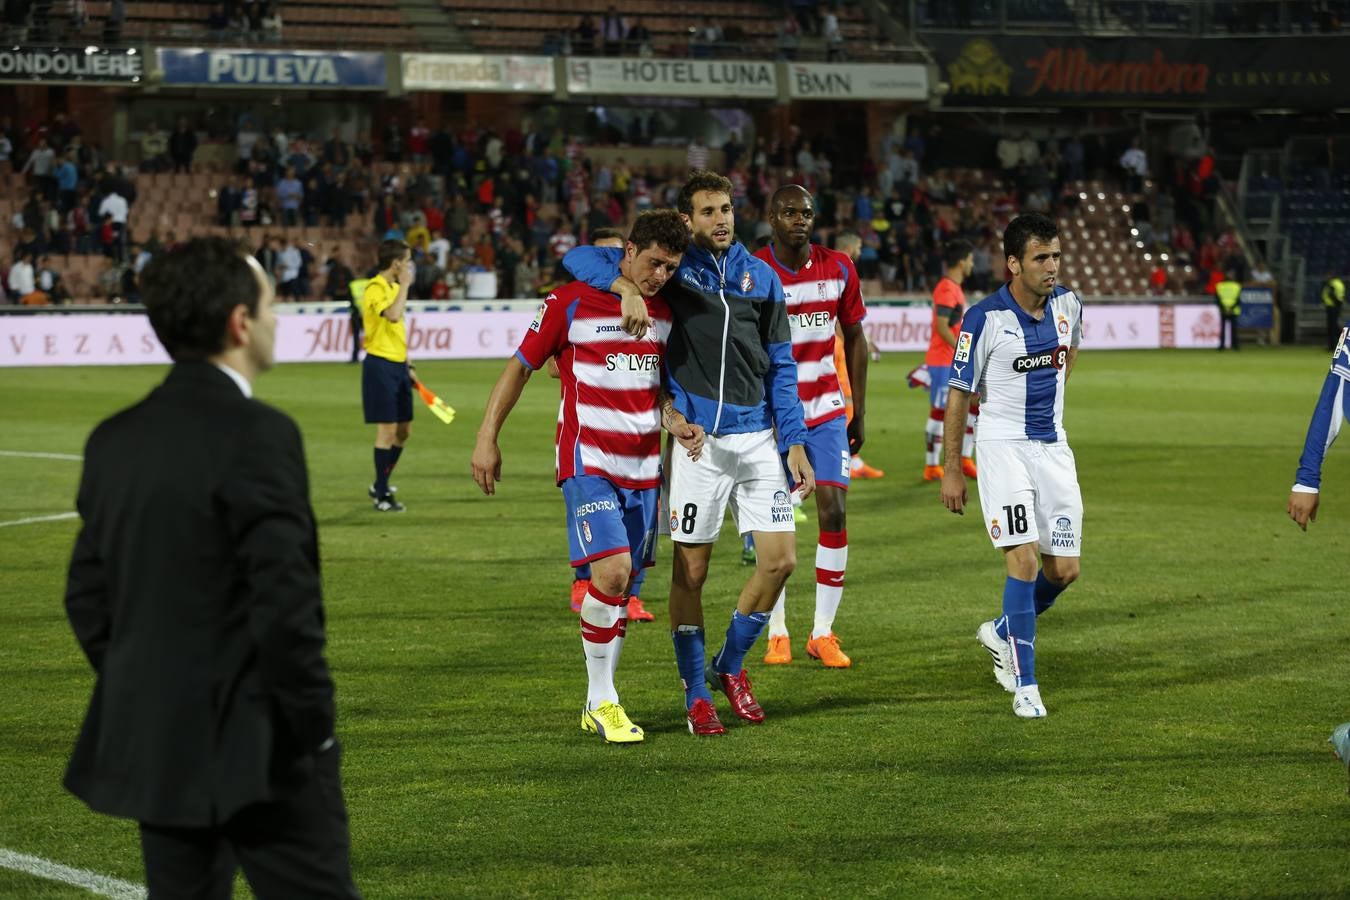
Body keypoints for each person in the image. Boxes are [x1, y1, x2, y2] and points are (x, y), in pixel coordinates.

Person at [63, 237, 359, 898]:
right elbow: (286, 606)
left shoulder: (114, 438)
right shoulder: (261, 434)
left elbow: (87, 596)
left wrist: (154, 687)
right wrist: (312, 730)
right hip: (264, 745)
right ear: (239, 322)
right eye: (271, 305)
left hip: (158, 741)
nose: (278, 319)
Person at [564, 169, 816, 736]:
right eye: (707, 211)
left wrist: (795, 440)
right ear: (687, 220)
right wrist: (627, 287)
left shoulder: (762, 278)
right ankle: (696, 691)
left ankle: (730, 666)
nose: (721, 219)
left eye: (725, 208)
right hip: (698, 442)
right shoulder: (675, 272)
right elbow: (584, 258)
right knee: (692, 573)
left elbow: (782, 366)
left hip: (756, 439)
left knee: (780, 562)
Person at [472, 210, 701, 743]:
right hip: (587, 462)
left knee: (618, 588)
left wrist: (677, 423)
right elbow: (520, 365)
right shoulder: (568, 301)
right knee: (615, 573)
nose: (661, 275)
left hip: (645, 470)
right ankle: (603, 700)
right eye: (652, 263)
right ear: (627, 252)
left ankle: (599, 699)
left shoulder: (666, 313)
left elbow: (658, 391)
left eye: (670, 267)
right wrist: (487, 435)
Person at [940, 212, 1084, 720]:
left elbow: (1070, 359)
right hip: (1002, 446)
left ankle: (1003, 631)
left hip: (1053, 447)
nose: (1052, 266)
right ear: (1013, 264)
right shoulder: (983, 318)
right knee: (1022, 560)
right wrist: (952, 466)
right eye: (1041, 257)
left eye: (1056, 256)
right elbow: (959, 393)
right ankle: (1025, 683)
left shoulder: (1069, 304)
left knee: (1063, 570)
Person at [752, 185, 868, 669]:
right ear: (772, 217)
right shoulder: (752, 272)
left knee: (834, 510)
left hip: (825, 411)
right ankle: (777, 631)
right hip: (772, 415)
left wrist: (859, 407)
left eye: (806, 212)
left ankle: (822, 632)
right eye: (789, 212)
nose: (800, 219)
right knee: (777, 519)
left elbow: (856, 337)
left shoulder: (838, 266)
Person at [362, 239, 415, 511]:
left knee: (404, 431)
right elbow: (393, 316)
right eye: (406, 261)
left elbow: (398, 332)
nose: (408, 266)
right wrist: (405, 284)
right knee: (387, 431)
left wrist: (409, 365)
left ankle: (380, 483)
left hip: (398, 366)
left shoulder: (394, 289)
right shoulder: (375, 288)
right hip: (379, 365)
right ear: (396, 264)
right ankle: (381, 493)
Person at [921, 240, 979, 482]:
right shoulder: (946, 288)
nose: (972, 264)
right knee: (940, 411)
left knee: (974, 405)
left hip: (952, 360)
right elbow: (942, 327)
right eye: (971, 259)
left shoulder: (954, 287)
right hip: (943, 361)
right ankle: (932, 466)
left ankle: (965, 459)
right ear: (962, 261)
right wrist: (961, 352)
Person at [1215, 271, 1241, 351]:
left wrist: (1224, 308)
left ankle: (1222, 346)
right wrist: (1231, 308)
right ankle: (1235, 346)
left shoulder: (1219, 286)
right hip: (1233, 310)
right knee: (1234, 329)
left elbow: (1217, 299)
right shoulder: (1237, 286)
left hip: (1223, 310)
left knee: (1223, 328)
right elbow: (1238, 300)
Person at [1322, 273, 1345, 351]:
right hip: (1337, 306)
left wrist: (1335, 302)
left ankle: (1331, 346)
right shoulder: (1340, 284)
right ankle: (1342, 342)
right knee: (1335, 326)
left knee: (1332, 327)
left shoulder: (1332, 284)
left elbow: (1331, 294)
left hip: (1332, 307)